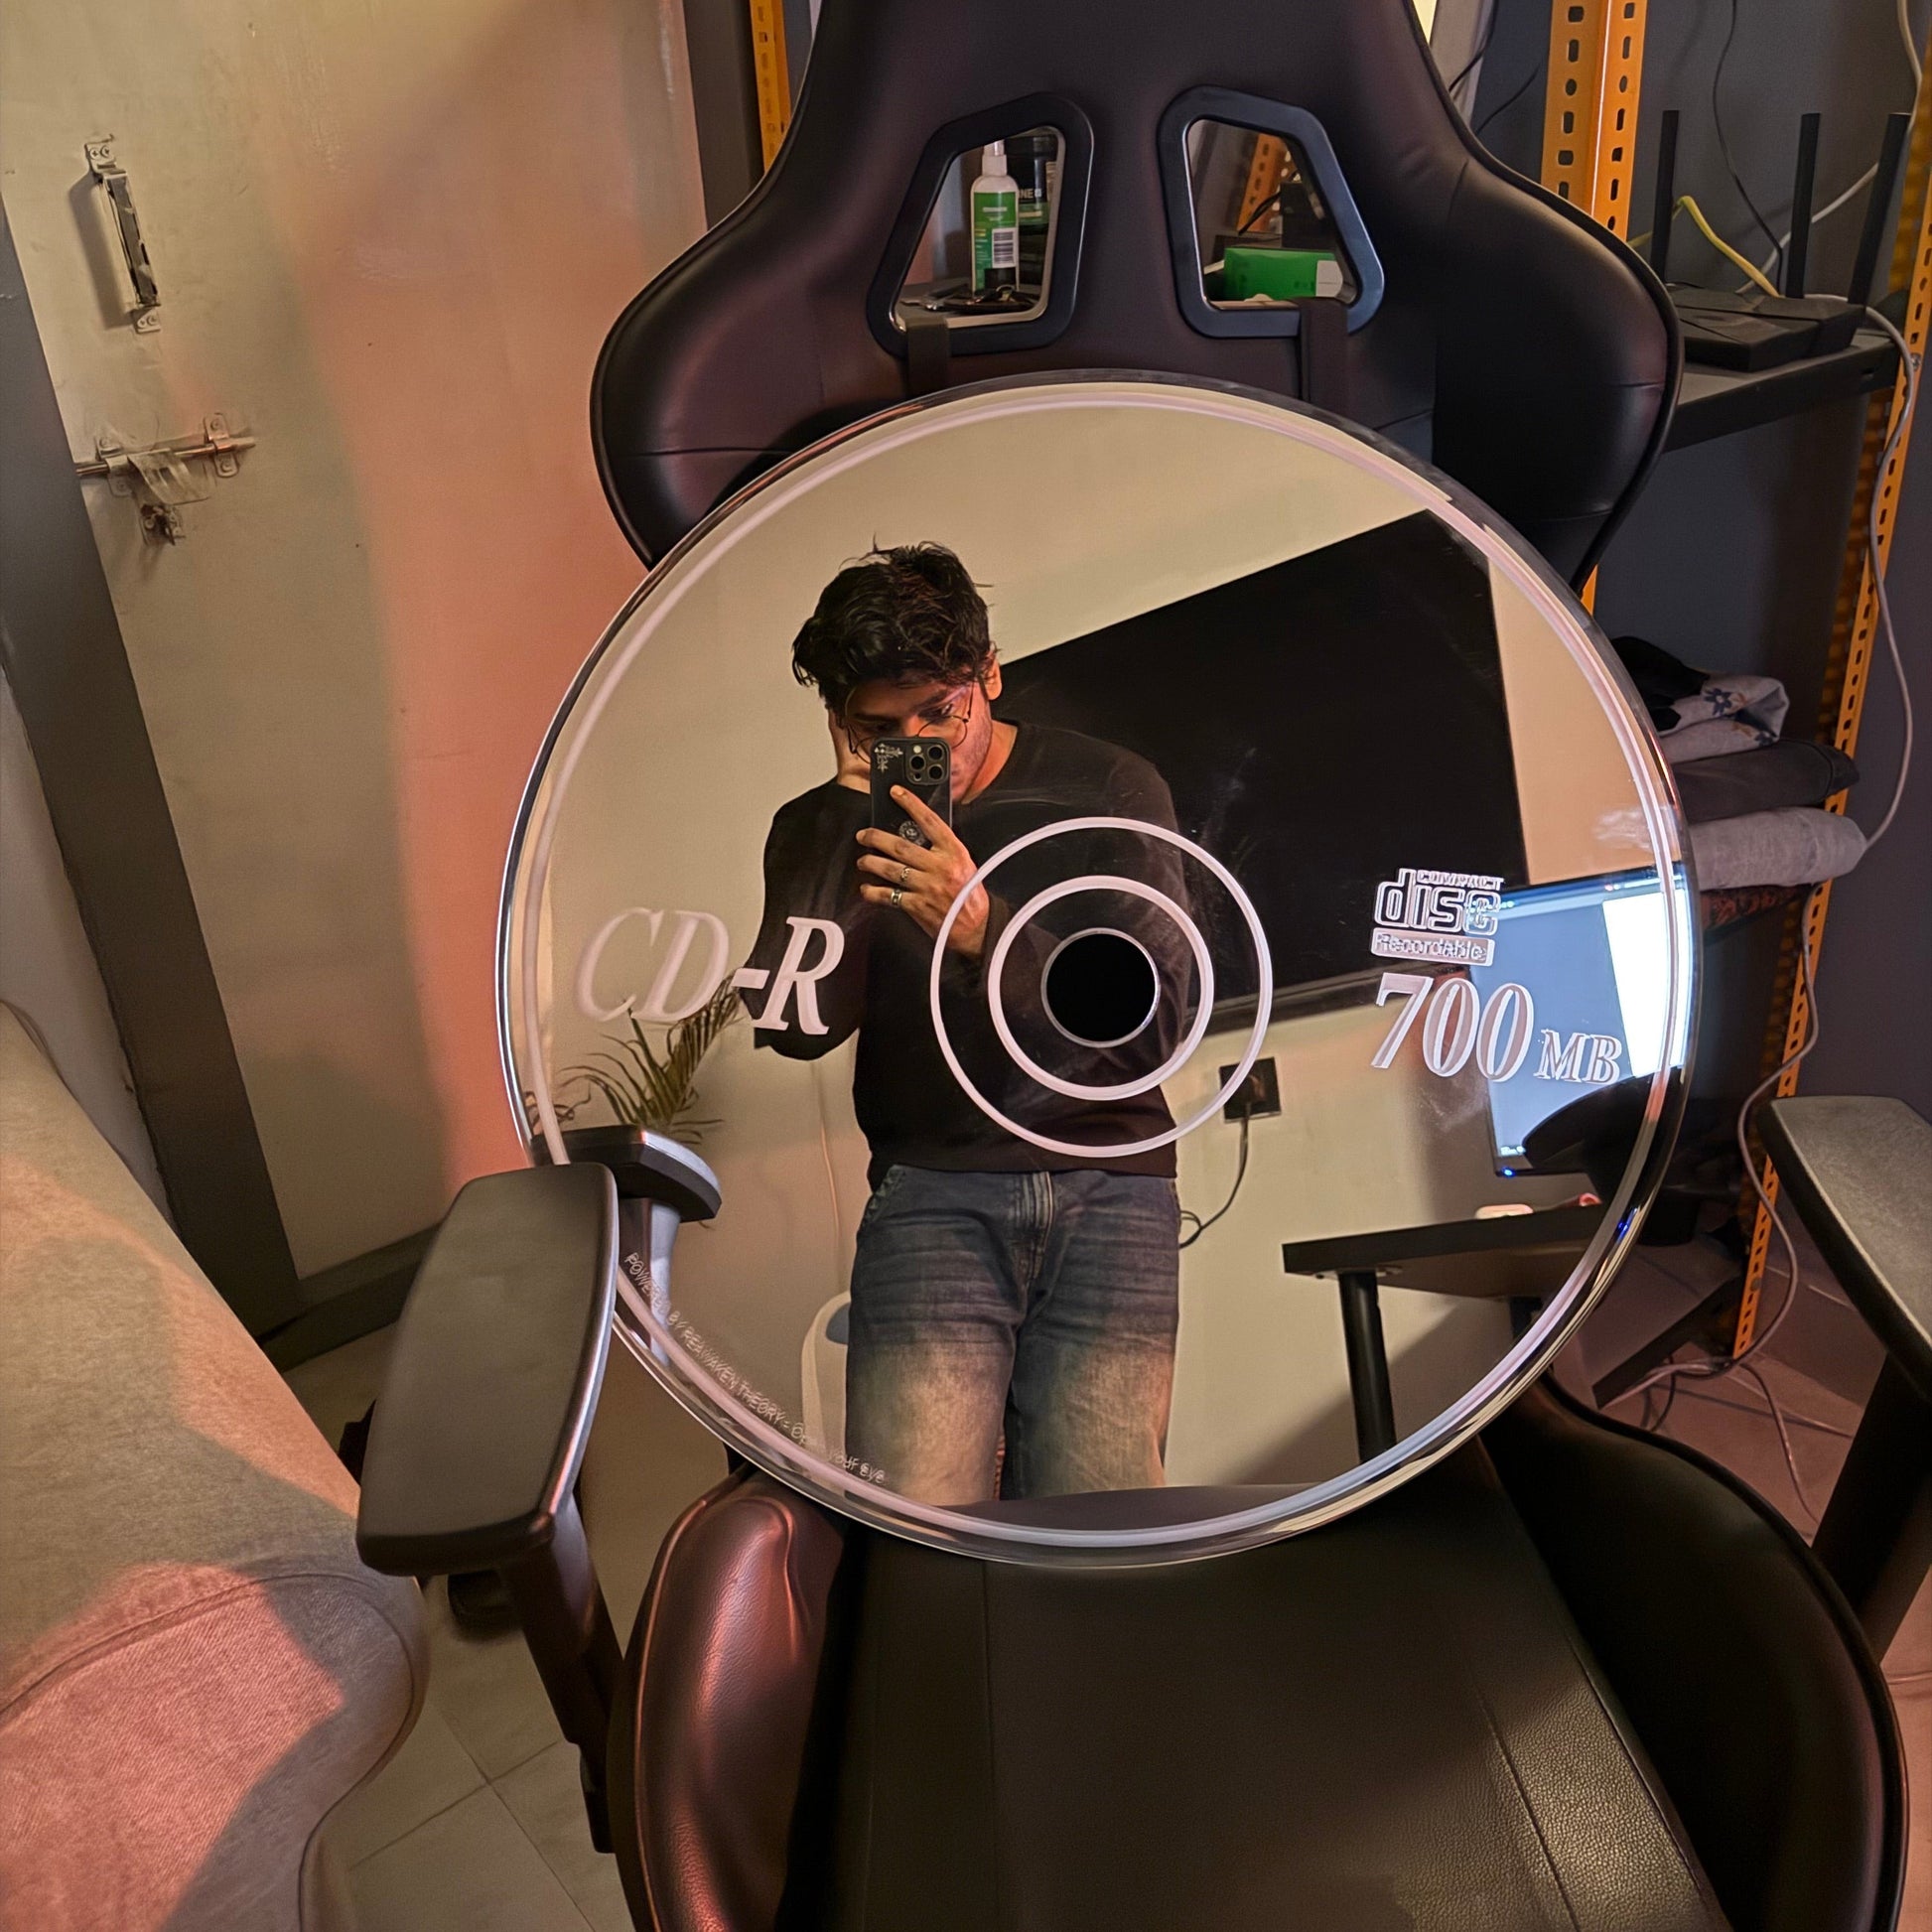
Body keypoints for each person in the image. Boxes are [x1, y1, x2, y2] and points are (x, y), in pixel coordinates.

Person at [743, 543, 1191, 1506]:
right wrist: (841, 824)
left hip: (1110, 1186)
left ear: (988, 672)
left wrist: (982, 923)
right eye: (876, 726)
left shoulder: (1107, 786)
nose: (917, 745)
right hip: (931, 1189)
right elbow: (796, 1025)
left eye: (938, 712)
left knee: (1101, 1525)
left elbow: (1157, 1021)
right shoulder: (820, 822)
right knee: (921, 1522)